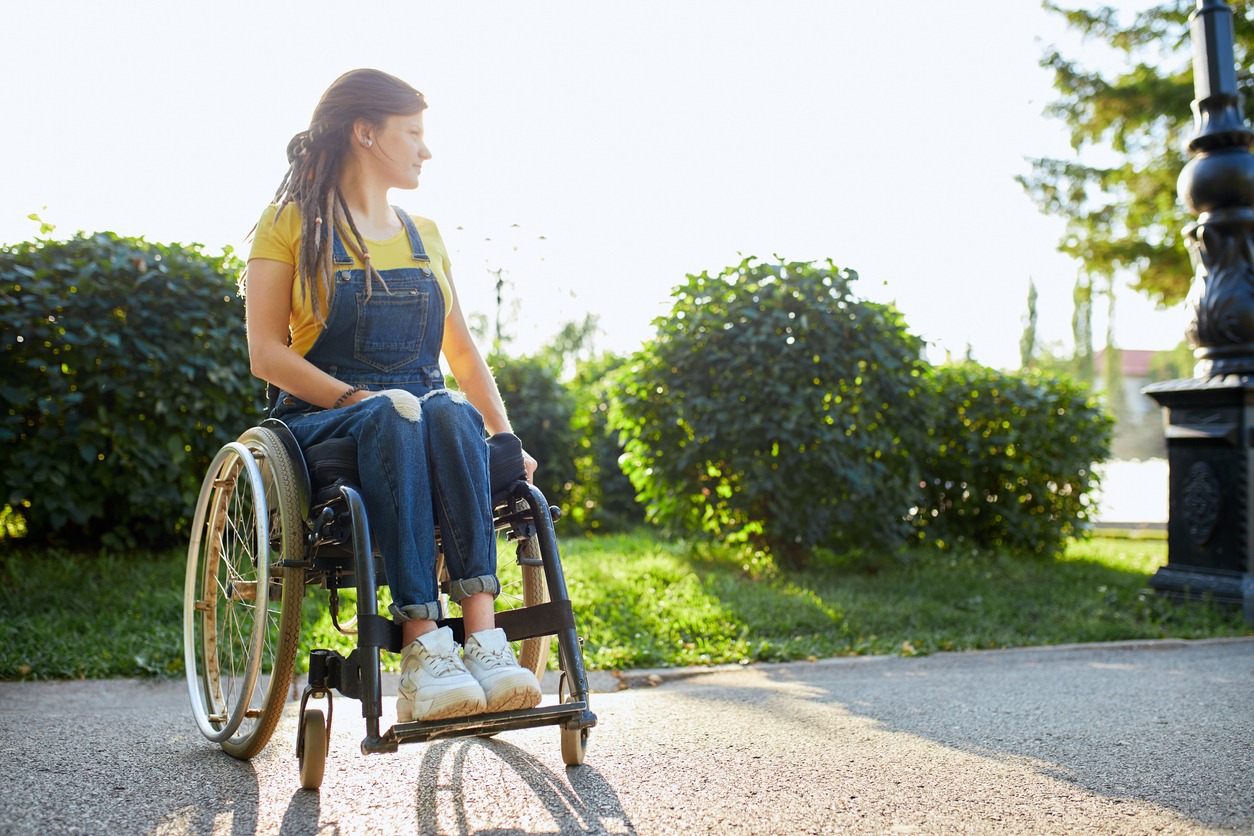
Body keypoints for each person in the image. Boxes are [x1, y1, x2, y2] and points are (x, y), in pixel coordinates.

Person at [242, 68, 542, 723]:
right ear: (365, 133)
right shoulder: (289, 224)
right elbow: (266, 353)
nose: (425, 150)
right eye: (413, 134)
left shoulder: (423, 234)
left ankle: (485, 642)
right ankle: (422, 648)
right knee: (397, 408)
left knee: (445, 408)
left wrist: (505, 436)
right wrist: (354, 398)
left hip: (427, 418)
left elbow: (460, 353)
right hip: (321, 421)